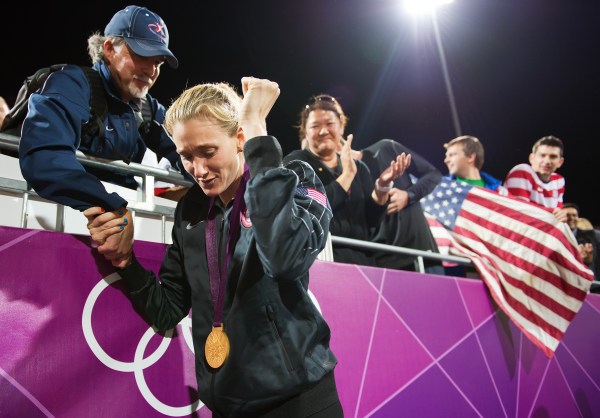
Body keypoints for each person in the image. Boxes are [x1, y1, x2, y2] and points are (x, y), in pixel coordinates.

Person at [85, 78, 344, 417]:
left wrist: (257, 132)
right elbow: (168, 311)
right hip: (227, 407)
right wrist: (125, 262)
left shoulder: (292, 177)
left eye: (208, 152)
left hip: (300, 403)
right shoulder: (190, 210)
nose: (199, 170)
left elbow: (285, 258)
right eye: (186, 156)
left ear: (239, 138)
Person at [18, 5, 181, 215]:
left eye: (158, 62)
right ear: (110, 49)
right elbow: (44, 157)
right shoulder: (70, 84)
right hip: (42, 219)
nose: (151, 71)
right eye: (142, 55)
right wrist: (110, 207)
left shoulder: (148, 108)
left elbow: (190, 149)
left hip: (119, 223)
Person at [284, 94, 411, 267]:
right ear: (305, 132)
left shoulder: (360, 168)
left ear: (341, 127)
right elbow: (310, 208)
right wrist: (347, 175)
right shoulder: (296, 163)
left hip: (363, 258)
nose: (323, 131)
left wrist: (382, 186)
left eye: (330, 124)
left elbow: (373, 220)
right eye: (315, 126)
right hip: (320, 257)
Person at [352, 138, 444, 274]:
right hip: (383, 265)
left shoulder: (385, 148)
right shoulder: (340, 180)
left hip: (423, 255)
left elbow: (433, 174)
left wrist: (408, 195)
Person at [503, 135, 566, 222]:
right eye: (542, 155)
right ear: (532, 158)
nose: (547, 161)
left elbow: (557, 217)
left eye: (553, 156)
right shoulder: (522, 171)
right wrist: (551, 214)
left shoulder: (559, 180)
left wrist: (561, 214)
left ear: (560, 162)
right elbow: (519, 215)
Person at [443, 135, 508, 194]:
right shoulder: (441, 188)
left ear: (471, 157)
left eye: (451, 155)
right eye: (446, 156)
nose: (446, 160)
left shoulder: (501, 193)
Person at [564, 203, 599, 282]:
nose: (571, 218)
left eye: (574, 215)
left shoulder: (592, 235)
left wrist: (588, 260)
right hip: (565, 280)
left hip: (588, 282)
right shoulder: (555, 237)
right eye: (568, 215)